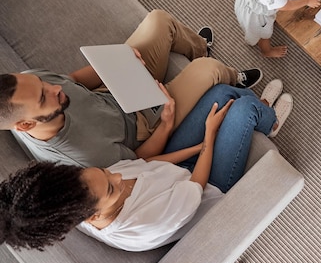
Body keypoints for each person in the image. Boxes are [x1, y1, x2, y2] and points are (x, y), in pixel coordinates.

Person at [0, 81, 293, 252]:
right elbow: (196, 185)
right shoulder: (144, 223)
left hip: (174, 173)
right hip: (205, 187)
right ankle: (269, 119)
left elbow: (145, 164)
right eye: (112, 184)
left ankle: (259, 112)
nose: (115, 173)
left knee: (220, 93)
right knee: (244, 109)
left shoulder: (89, 191)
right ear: (93, 217)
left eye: (103, 170)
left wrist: (201, 143)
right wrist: (210, 135)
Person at [0, 9, 263, 168]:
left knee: (159, 20)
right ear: (24, 126)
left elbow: (72, 81)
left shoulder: (30, 81)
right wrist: (166, 124)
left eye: (43, 83)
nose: (54, 87)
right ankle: (232, 77)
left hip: (114, 88)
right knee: (209, 69)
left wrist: (120, 60)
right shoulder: (82, 154)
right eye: (44, 96)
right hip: (146, 126)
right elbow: (140, 161)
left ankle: (198, 48)